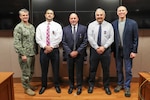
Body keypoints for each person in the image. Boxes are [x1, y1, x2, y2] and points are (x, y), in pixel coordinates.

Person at [112, 6, 138, 97]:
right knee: (119, 69)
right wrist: (112, 50)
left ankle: (127, 86)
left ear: (126, 12)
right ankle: (120, 84)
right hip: (117, 50)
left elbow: (135, 38)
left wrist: (134, 51)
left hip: (128, 51)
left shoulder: (133, 23)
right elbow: (112, 38)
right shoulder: (113, 24)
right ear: (117, 12)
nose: (121, 12)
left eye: (123, 10)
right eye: (119, 11)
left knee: (128, 70)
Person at [87, 8, 114, 95]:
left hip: (105, 51)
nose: (99, 16)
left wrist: (104, 47)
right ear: (95, 16)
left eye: (101, 15)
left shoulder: (109, 25)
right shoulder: (91, 25)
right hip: (94, 50)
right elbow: (90, 38)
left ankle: (106, 86)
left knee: (106, 70)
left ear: (104, 15)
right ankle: (91, 85)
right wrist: (97, 47)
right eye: (98, 15)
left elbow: (111, 38)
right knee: (92, 69)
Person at [36, 9, 62, 94]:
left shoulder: (57, 26)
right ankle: (44, 86)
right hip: (44, 51)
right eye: (48, 13)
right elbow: (38, 39)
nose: (49, 15)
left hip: (54, 50)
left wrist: (51, 47)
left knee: (56, 69)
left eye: (51, 13)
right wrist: (45, 47)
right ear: (45, 15)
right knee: (44, 69)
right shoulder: (40, 26)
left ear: (53, 15)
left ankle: (57, 85)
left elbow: (59, 38)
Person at [13, 8, 38, 96]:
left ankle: (28, 84)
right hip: (24, 54)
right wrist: (22, 54)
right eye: (23, 15)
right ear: (20, 16)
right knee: (25, 72)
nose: (25, 17)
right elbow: (17, 42)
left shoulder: (31, 26)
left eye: (26, 15)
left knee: (31, 71)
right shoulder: (18, 27)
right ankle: (26, 88)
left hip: (32, 53)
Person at [62, 13, 87, 95]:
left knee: (79, 71)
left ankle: (79, 86)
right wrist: (70, 52)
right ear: (69, 19)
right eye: (71, 18)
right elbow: (64, 42)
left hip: (79, 54)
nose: (73, 20)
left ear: (78, 19)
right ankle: (71, 86)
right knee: (70, 71)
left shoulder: (83, 28)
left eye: (74, 18)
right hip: (69, 55)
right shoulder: (65, 29)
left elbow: (85, 41)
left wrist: (77, 51)